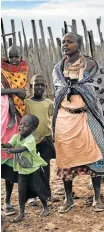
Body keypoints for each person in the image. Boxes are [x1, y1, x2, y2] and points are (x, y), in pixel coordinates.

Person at [53, 32, 104, 213]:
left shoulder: (92, 66)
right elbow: (58, 90)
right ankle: (68, 198)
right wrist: (71, 86)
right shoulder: (58, 67)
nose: (65, 45)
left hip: (87, 117)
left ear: (79, 45)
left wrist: (78, 86)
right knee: (65, 158)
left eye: (69, 42)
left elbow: (97, 89)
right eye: (63, 42)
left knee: (95, 153)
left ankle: (96, 198)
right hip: (65, 118)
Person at [1, 114, 49, 222]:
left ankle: (45, 206)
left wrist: (12, 150)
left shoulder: (31, 140)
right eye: (21, 123)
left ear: (33, 129)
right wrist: (4, 145)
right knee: (21, 192)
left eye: (25, 125)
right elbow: (10, 144)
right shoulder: (16, 136)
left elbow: (22, 148)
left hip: (33, 170)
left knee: (38, 189)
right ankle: (22, 213)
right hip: (22, 171)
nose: (21, 126)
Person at [1, 45, 29, 216]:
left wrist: (17, 93)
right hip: (4, 122)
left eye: (16, 57)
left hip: (17, 119)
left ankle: (10, 200)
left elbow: (23, 92)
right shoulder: (2, 72)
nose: (13, 60)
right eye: (10, 57)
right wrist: (14, 91)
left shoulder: (22, 71)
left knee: (14, 164)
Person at [24, 74, 58, 205]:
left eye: (42, 85)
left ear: (46, 87)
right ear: (31, 87)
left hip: (46, 139)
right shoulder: (27, 103)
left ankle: (47, 193)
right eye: (36, 85)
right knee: (32, 168)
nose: (39, 87)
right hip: (31, 140)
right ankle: (32, 196)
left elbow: (51, 119)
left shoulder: (49, 103)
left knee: (45, 167)